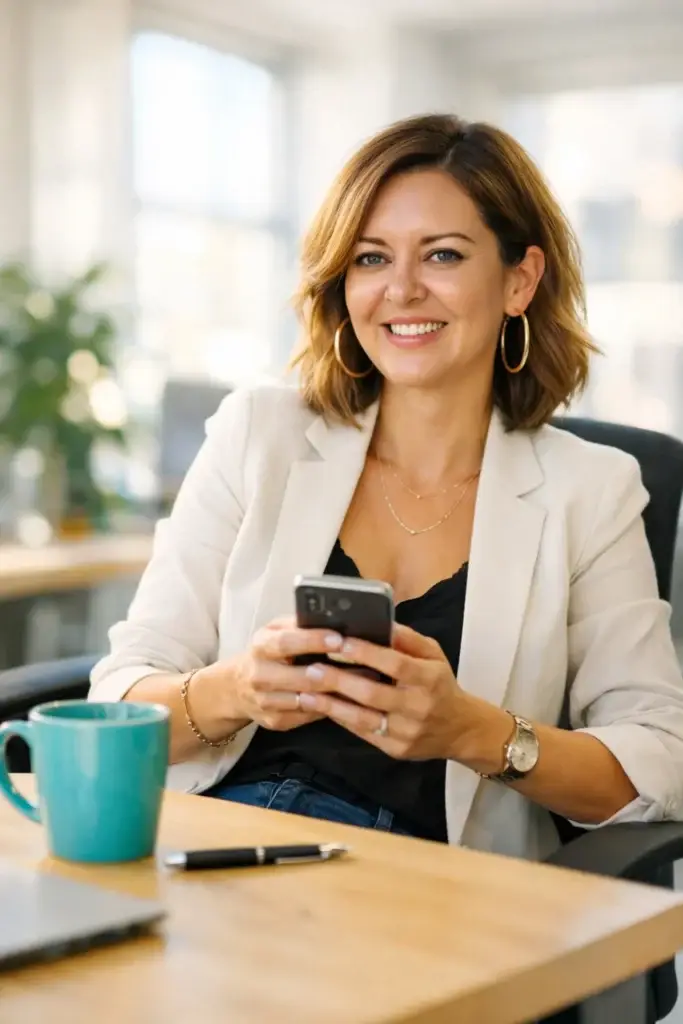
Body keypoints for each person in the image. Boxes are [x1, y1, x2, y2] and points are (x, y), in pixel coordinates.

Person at [90, 113, 683, 860]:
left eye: (441, 254)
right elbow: (118, 697)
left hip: (427, 884)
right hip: (220, 845)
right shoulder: (256, 435)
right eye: (370, 259)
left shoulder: (591, 489)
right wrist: (236, 689)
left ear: (518, 280)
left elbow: (659, 763)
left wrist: (473, 731)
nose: (400, 290)